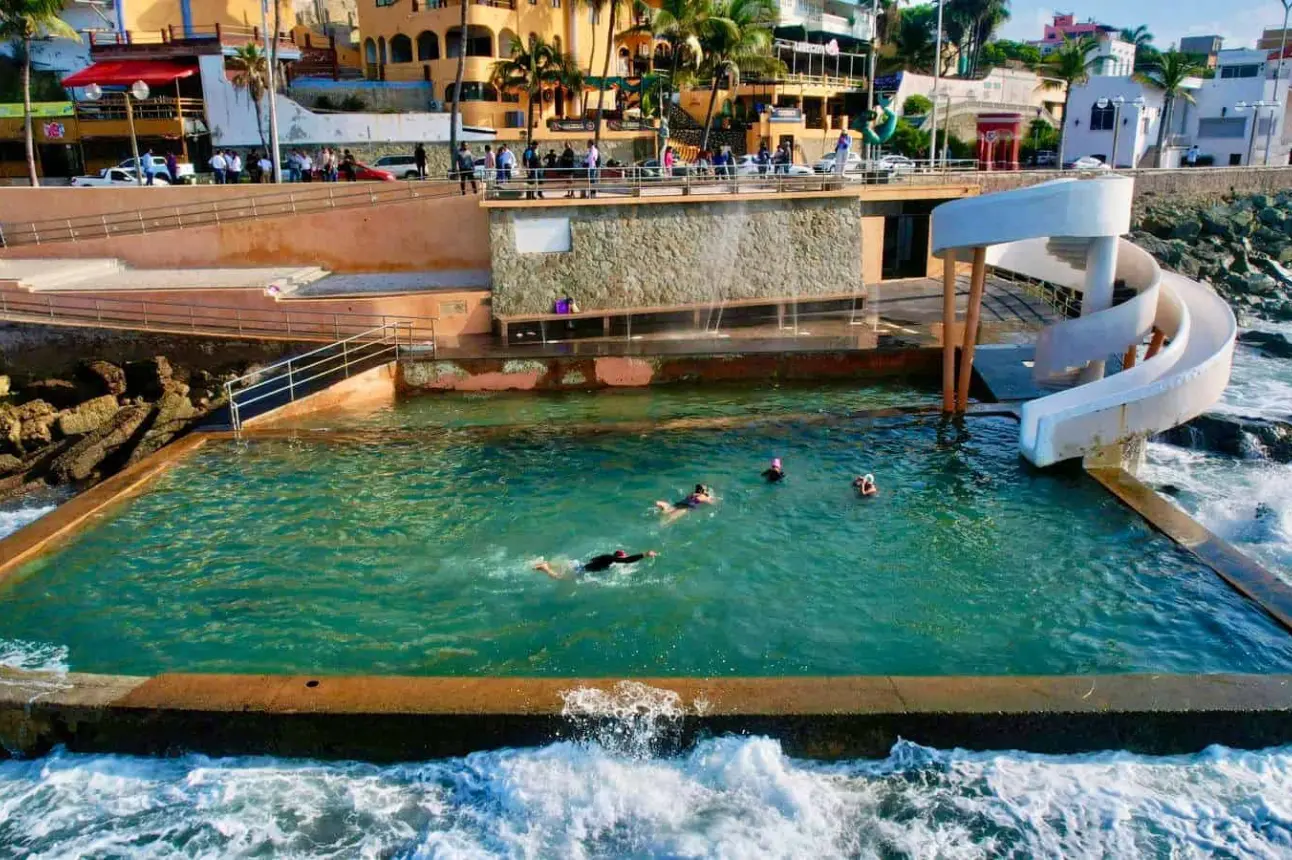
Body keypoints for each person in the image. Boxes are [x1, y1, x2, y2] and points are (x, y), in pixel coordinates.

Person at [532, 548, 658, 580]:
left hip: (577, 564)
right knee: (559, 578)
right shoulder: (611, 559)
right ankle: (545, 568)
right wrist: (645, 555)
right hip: (578, 570)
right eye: (624, 556)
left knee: (558, 566)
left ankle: (542, 563)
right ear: (619, 557)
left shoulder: (608, 558)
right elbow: (627, 561)